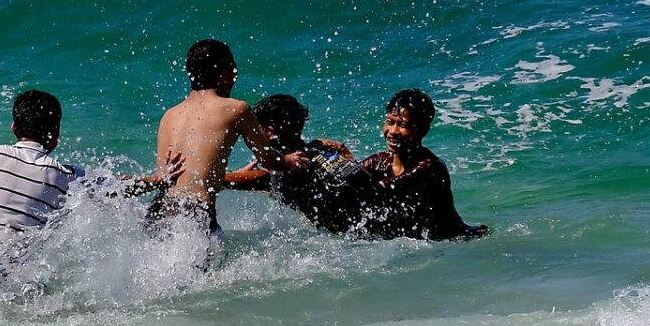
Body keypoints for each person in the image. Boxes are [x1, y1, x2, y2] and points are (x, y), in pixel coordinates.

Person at [0, 90, 181, 276]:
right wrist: (158, 178)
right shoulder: (65, 176)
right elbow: (118, 188)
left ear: (13, 128)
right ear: (55, 134)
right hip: (8, 279)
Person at [151, 39, 307, 238]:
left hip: (160, 210)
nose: (235, 77)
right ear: (223, 73)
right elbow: (268, 159)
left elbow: (172, 177)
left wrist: (226, 176)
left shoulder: (169, 115)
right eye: (233, 70)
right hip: (193, 215)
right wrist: (288, 161)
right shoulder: (237, 108)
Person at [226, 94, 369, 234]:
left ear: (269, 132)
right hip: (372, 215)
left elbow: (219, 180)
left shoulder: (288, 170)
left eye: (256, 129)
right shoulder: (320, 147)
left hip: (356, 237)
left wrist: (236, 177)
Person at [356, 89, 488, 241]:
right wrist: (336, 154)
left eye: (403, 125)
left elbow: (381, 189)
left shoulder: (430, 168)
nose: (393, 131)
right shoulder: (379, 162)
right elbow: (348, 178)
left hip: (458, 243)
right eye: (390, 122)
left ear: (423, 130)